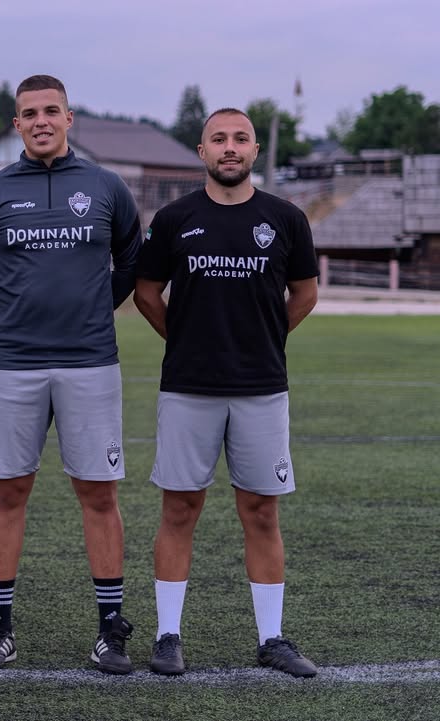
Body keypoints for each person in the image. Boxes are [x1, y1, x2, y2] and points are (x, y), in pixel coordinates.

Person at [0, 75, 142, 674]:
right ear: (16, 124)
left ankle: (110, 630)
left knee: (99, 493)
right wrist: (15, 312)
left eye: (51, 111)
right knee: (8, 493)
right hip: (11, 362)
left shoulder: (107, 187)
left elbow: (129, 264)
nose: (40, 121)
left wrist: (89, 310)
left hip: (90, 361)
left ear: (69, 118)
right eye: (29, 113)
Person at [133, 108, 320, 678]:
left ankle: (272, 639)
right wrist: (185, 340)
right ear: (202, 151)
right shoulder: (174, 218)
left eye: (241, 139)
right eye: (219, 139)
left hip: (261, 388)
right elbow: (146, 292)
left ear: (255, 150)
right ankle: (167, 636)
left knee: (261, 512)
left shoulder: (285, 218)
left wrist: (265, 338)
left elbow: (305, 293)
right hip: (188, 388)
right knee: (179, 508)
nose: (230, 147)